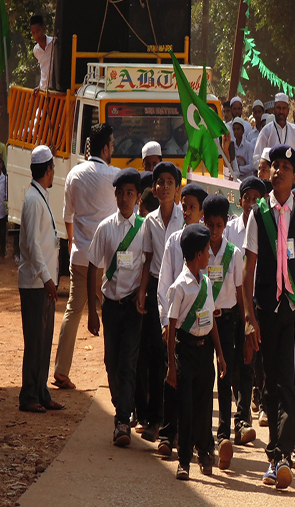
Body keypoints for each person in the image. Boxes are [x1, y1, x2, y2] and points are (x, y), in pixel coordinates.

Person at [242, 145, 295, 489]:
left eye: (286, 167)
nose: (278, 171)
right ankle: (276, 454)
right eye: (275, 165)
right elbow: (248, 268)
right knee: (268, 384)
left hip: (294, 310)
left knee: (289, 383)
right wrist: (249, 316)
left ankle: (280, 456)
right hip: (266, 309)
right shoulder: (258, 213)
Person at [54, 124, 119, 390]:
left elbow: (67, 217)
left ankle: (61, 370)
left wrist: (72, 241)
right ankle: (116, 371)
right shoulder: (115, 176)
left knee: (73, 311)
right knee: (112, 315)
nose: (113, 149)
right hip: (108, 261)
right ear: (104, 149)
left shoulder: (74, 174)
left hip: (81, 256)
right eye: (112, 145)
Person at [86, 168, 145, 446]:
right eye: (120, 193)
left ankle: (122, 422)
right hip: (110, 305)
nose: (124, 198)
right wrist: (92, 310)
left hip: (133, 307)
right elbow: (93, 267)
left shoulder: (144, 229)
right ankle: (122, 403)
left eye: (130, 193)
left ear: (138, 197)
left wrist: (142, 294)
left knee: (128, 363)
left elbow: (149, 264)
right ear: (115, 195)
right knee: (111, 362)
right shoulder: (105, 228)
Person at [165, 224, 227, 480]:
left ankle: (204, 453)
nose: (209, 255)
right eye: (206, 250)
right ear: (198, 254)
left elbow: (211, 321)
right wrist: (171, 365)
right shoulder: (179, 287)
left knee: (204, 406)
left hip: (205, 353)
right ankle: (184, 461)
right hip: (185, 352)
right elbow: (171, 327)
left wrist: (220, 354)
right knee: (186, 408)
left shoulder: (206, 284)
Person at [156, 182, 206, 456]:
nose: (186, 212)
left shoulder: (207, 244)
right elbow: (164, 284)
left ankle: (199, 441)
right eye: (183, 206)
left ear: (201, 211)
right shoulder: (173, 241)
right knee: (171, 378)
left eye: (192, 207)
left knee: (197, 388)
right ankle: (168, 433)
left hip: (198, 328)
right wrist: (166, 322)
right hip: (175, 323)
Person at [136, 161, 184, 442]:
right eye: (160, 182)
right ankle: (155, 420)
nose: (165, 187)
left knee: (176, 354)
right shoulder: (149, 222)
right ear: (153, 189)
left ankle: (174, 424)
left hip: (182, 291)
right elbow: (147, 259)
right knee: (156, 353)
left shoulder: (185, 218)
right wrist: (142, 291)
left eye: (170, 182)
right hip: (156, 290)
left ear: (177, 188)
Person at [203, 194, 250, 468]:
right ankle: (203, 435)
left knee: (225, 375)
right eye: (210, 225)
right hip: (202, 320)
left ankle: (223, 435)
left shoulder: (234, 253)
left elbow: (240, 292)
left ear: (225, 224)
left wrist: (245, 325)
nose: (214, 231)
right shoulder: (199, 250)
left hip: (227, 321)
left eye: (219, 225)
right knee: (204, 376)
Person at [18, 145, 63, 413]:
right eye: (53, 168)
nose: (54, 172)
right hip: (35, 283)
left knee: (45, 341)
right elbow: (33, 244)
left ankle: (41, 391)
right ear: (47, 170)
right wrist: (47, 278)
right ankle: (29, 395)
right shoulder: (34, 200)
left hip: (44, 282)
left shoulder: (39, 195)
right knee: (35, 340)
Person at [223, 176, 267, 433]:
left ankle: (244, 416)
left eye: (256, 199)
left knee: (251, 357)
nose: (251, 203)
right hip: (231, 303)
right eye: (247, 198)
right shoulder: (230, 229)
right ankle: (241, 404)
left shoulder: (266, 227)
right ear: (239, 201)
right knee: (233, 361)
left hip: (255, 302)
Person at [253, 93, 295, 165]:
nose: (281, 112)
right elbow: (256, 158)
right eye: (278, 108)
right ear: (274, 109)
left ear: (288, 110)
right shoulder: (266, 131)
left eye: (284, 108)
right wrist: (268, 169)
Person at [30, 15, 55, 91]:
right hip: (43, 90)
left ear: (44, 29)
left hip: (54, 90)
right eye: (33, 33)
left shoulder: (54, 43)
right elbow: (43, 69)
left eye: (38, 31)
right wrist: (40, 86)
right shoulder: (36, 50)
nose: (36, 35)